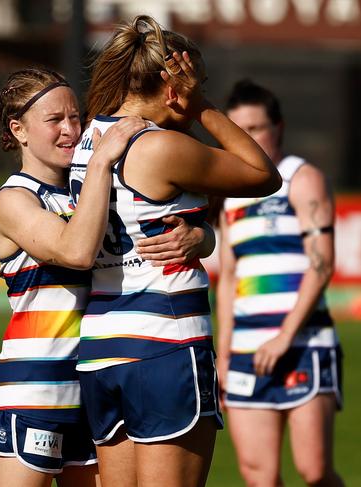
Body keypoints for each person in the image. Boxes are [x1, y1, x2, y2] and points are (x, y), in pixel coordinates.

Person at [68, 15, 283, 487]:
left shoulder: (88, 138)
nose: (198, 90)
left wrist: (201, 236)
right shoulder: (159, 146)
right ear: (172, 87)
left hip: (102, 351)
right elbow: (263, 174)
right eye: (196, 81)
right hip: (165, 346)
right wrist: (201, 104)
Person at [0, 67, 214, 487]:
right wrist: (103, 158)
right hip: (35, 391)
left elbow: (152, 228)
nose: (71, 130)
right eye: (54, 120)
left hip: (97, 386)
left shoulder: (88, 189)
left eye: (76, 117)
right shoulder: (13, 199)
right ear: (18, 129)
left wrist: (199, 236)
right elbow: (76, 251)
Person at [216, 79, 344, 487]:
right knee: (259, 477)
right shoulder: (232, 194)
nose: (248, 140)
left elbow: (321, 265)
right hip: (245, 353)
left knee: (315, 471)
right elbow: (229, 278)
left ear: (279, 127)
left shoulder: (301, 178)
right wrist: (222, 354)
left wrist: (284, 337)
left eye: (256, 129)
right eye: (238, 132)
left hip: (302, 344)